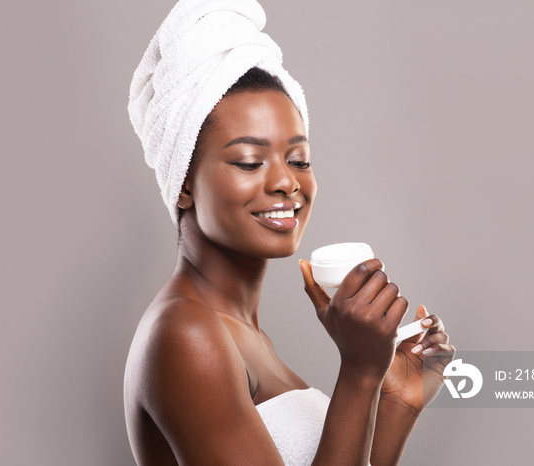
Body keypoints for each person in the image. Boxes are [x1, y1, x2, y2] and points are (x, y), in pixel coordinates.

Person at [124, 1, 454, 465]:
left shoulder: (242, 334)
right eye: (248, 161)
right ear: (183, 184)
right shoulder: (185, 334)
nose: (286, 182)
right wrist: (359, 372)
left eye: (298, 159)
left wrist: (397, 399)